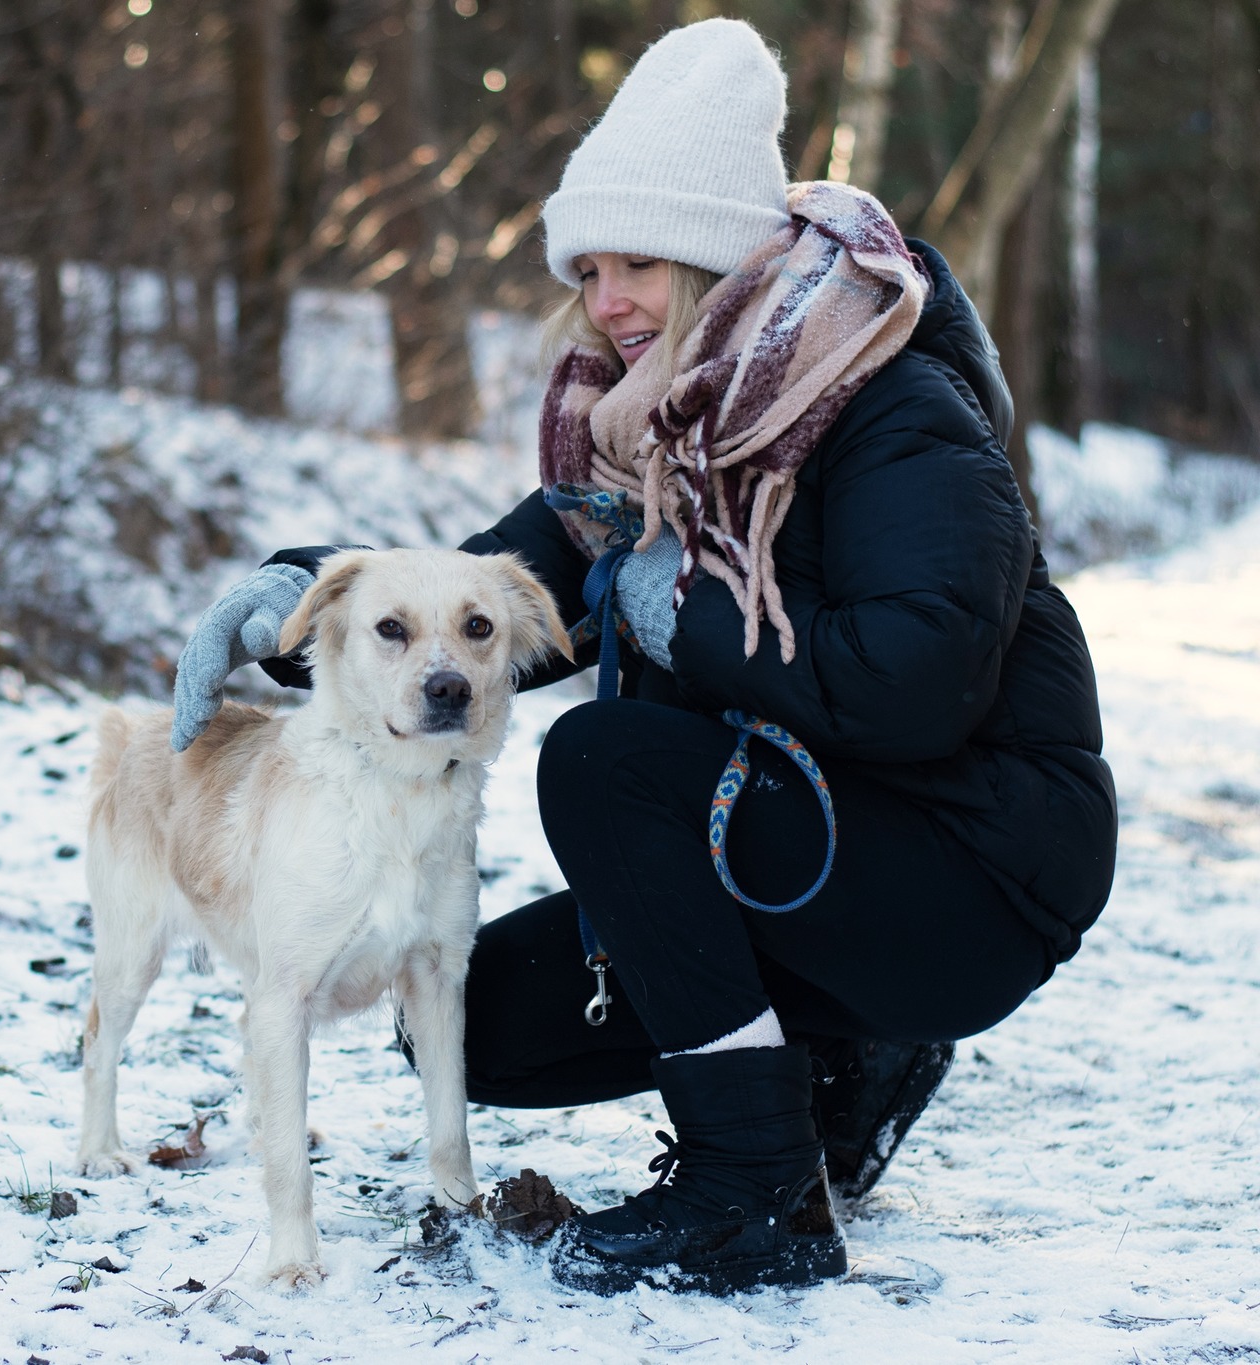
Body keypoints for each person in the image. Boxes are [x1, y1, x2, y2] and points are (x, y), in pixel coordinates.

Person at [167, 16, 1116, 1295]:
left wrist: (687, 617)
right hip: (807, 832)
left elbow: (917, 681)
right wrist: (300, 610)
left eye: (642, 266)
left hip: (970, 867)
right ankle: (831, 1053)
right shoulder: (647, 430)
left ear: (721, 263)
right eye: (589, 267)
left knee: (604, 760)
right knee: (481, 1027)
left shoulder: (893, 405)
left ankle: (755, 1190)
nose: (605, 301)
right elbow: (488, 594)